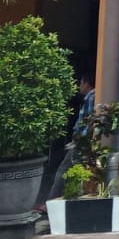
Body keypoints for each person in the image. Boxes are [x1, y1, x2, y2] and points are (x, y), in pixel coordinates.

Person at [44, 72, 96, 205]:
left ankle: (52, 201)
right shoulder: (90, 97)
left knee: (64, 169)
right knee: (75, 170)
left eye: (80, 83)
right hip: (82, 141)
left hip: (81, 142)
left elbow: (88, 121)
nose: (79, 86)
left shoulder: (91, 98)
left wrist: (78, 140)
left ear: (86, 83)